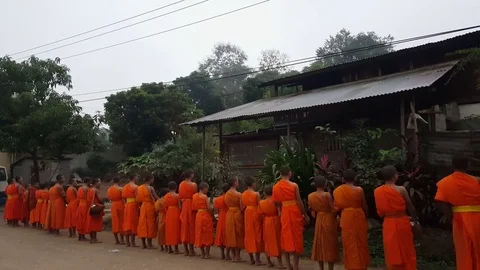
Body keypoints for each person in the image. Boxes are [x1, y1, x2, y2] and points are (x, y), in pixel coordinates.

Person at [435, 155, 480, 270]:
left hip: (459, 218)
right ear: (468, 165)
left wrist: (450, 217)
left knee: (463, 248)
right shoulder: (477, 180)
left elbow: (440, 202)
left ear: (452, 165)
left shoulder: (444, 182)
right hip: (478, 217)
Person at [374, 166, 418, 270]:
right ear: (394, 176)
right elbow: (410, 206)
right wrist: (415, 221)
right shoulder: (401, 189)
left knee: (391, 248)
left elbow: (380, 211)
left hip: (388, 223)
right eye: (397, 174)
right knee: (406, 248)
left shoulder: (377, 191)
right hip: (402, 221)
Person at [272, 166, 309, 270]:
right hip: (294, 211)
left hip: (285, 211)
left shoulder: (276, 187)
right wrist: (305, 214)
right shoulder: (294, 185)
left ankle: (288, 265)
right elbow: (299, 201)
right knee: (297, 237)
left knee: (285, 236)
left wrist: (282, 206)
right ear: (289, 173)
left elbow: (276, 202)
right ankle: (296, 265)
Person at [333, 169, 370, 270]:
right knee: (361, 241)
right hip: (359, 215)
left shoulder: (337, 190)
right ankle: (362, 265)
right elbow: (364, 205)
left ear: (342, 179)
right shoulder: (359, 190)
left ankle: (351, 266)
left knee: (348, 242)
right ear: (355, 178)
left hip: (346, 217)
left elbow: (336, 207)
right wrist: (366, 216)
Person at [308, 176, 339, 270]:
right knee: (330, 243)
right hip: (329, 219)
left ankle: (321, 267)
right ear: (325, 184)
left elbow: (312, 211)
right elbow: (333, 209)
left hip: (319, 219)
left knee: (319, 243)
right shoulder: (327, 195)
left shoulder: (310, 196)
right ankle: (330, 268)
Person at [258, 184, 285, 269]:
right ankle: (280, 263)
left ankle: (268, 261)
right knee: (277, 241)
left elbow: (260, 214)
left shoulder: (261, 202)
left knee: (267, 241)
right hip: (276, 221)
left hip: (267, 222)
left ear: (265, 193)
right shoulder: (276, 202)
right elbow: (280, 213)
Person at [241, 176, 264, 265]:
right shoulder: (256, 194)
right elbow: (259, 205)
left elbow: (242, 207)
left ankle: (251, 259)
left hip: (247, 213)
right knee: (257, 234)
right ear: (253, 183)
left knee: (249, 233)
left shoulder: (243, 194)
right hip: (255, 213)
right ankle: (257, 259)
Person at [225, 176, 245, 262]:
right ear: (235, 183)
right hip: (237, 214)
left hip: (229, 214)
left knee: (231, 234)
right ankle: (237, 256)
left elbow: (226, 205)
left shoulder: (226, 194)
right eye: (237, 181)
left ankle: (233, 256)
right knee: (238, 234)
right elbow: (241, 207)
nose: (238, 182)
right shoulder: (239, 194)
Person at [137, 174, 159, 249]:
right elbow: (156, 197)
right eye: (152, 179)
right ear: (150, 179)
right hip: (150, 206)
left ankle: (144, 244)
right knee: (150, 224)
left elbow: (138, 199)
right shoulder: (150, 188)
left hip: (143, 206)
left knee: (143, 223)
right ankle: (149, 244)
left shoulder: (139, 188)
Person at [193, 182, 214, 259]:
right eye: (207, 189)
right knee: (207, 233)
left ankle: (203, 253)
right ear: (204, 188)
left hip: (198, 215)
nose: (207, 190)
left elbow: (194, 207)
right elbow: (209, 208)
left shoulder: (194, 196)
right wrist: (212, 211)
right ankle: (207, 254)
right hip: (205, 215)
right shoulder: (204, 197)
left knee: (200, 233)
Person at [179, 170, 198, 256]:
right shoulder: (193, 185)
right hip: (191, 206)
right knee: (191, 227)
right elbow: (195, 196)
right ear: (191, 175)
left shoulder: (181, 184)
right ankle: (191, 250)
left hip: (184, 206)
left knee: (184, 226)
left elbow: (180, 196)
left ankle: (186, 250)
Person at [164, 181, 182, 254]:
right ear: (176, 187)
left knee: (169, 230)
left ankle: (169, 248)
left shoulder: (166, 196)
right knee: (176, 230)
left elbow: (165, 206)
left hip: (169, 213)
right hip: (176, 213)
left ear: (168, 188)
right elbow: (180, 207)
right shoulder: (177, 196)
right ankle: (176, 249)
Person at [214, 183, 230, 260]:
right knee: (228, 234)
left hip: (221, 216)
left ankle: (222, 253)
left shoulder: (218, 199)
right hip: (228, 215)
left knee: (220, 234)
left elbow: (216, 210)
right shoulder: (229, 198)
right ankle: (227, 254)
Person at [122, 173, 140, 247]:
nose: (137, 178)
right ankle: (132, 242)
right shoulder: (136, 187)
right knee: (133, 222)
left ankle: (127, 242)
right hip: (134, 205)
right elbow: (137, 198)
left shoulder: (125, 186)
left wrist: (125, 204)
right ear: (134, 178)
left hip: (127, 205)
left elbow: (123, 197)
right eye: (137, 177)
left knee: (127, 221)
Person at [107, 176, 125, 245]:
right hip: (120, 204)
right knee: (121, 221)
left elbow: (109, 198)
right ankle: (122, 240)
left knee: (114, 221)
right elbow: (123, 198)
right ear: (119, 181)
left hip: (113, 205)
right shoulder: (120, 189)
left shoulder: (109, 189)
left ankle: (116, 240)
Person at [86, 178, 104, 243]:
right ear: (96, 183)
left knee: (91, 223)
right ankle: (94, 238)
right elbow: (100, 200)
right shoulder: (95, 190)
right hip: (95, 207)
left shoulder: (89, 189)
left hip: (90, 207)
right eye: (99, 182)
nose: (100, 184)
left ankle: (92, 238)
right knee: (94, 223)